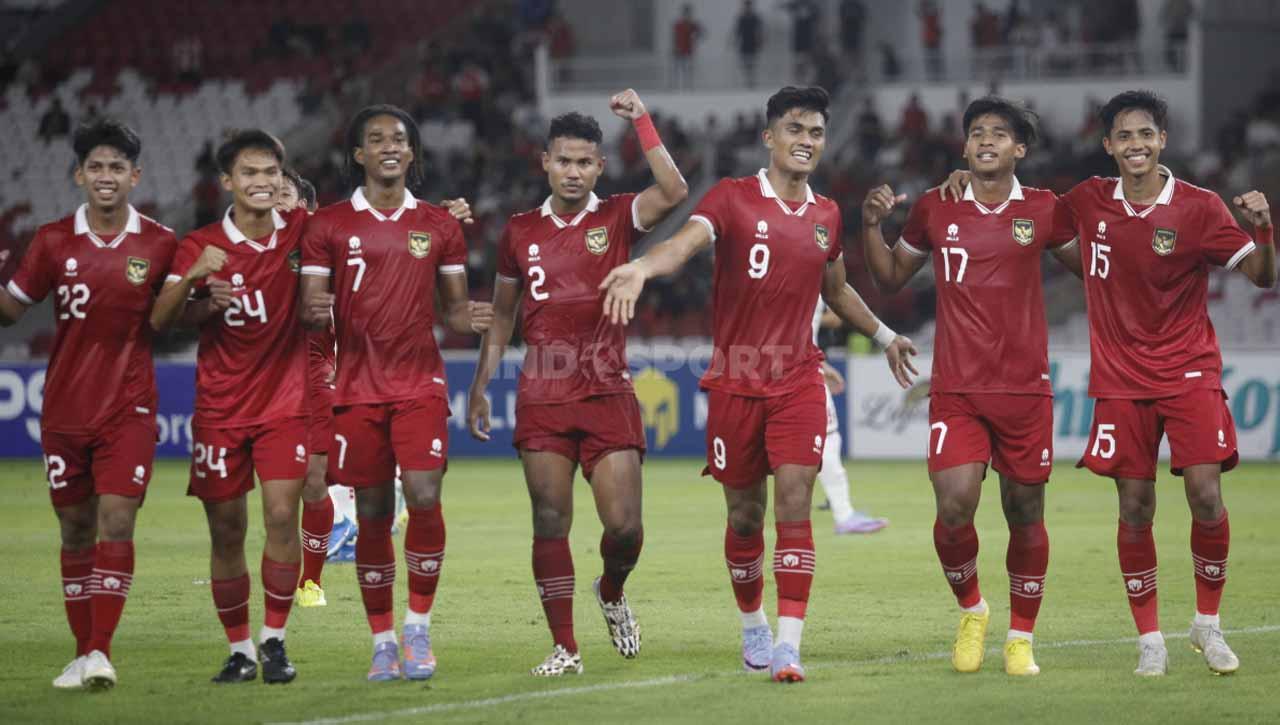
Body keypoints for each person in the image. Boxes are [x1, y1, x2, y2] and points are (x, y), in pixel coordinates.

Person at [600, 86, 917, 683]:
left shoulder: (827, 215)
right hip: (735, 385)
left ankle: (790, 645)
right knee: (746, 517)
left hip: (798, 380)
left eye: (816, 132)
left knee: (796, 503)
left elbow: (838, 291)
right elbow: (683, 244)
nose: (806, 141)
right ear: (770, 137)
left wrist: (885, 336)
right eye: (795, 129)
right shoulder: (733, 199)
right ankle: (754, 626)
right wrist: (642, 266)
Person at [1050, 91, 1273, 676]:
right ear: (1108, 146)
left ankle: (1209, 625)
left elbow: (1260, 274)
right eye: (1124, 136)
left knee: (1206, 495)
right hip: (1121, 379)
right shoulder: (1088, 201)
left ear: (1162, 140)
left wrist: (1265, 230)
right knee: (1134, 505)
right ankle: (1150, 637)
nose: (1136, 145)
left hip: (1189, 369)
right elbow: (1025, 213)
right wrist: (966, 180)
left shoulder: (1199, 207)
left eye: (1145, 134)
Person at [468, 90, 689, 677]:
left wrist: (642, 120)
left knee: (625, 528)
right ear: (545, 162)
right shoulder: (518, 232)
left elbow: (674, 193)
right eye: (563, 160)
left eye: (584, 162)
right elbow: (504, 313)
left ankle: (611, 591)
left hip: (607, 390)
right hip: (542, 393)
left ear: (599, 167)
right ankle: (565, 647)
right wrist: (481, 384)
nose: (573, 171)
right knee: (550, 520)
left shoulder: (616, 215)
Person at [865, 97, 1080, 677]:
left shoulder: (1044, 209)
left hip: (1024, 389)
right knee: (955, 506)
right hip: (958, 387)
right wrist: (869, 225)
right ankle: (972, 610)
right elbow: (887, 277)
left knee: (1024, 511)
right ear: (964, 148)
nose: (987, 140)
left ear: (1020, 149)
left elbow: (1093, 266)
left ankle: (1021, 637)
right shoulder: (936, 207)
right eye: (977, 132)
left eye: (1000, 133)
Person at [299, 104, 493, 681]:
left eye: (399, 139)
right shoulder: (328, 225)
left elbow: (454, 309)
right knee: (377, 512)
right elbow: (313, 310)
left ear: (412, 154)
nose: (388, 145)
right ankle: (382, 640)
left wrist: (479, 317)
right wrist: (315, 309)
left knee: (424, 493)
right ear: (359, 154)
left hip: (418, 383)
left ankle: (417, 631)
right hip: (355, 388)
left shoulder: (438, 225)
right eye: (376, 138)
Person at [0, 119, 177, 691]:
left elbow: (173, 321)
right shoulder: (53, 240)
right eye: (96, 167)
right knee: (74, 530)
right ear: (79, 175)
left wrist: (205, 296)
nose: (106, 177)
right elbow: (10, 310)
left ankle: (100, 650)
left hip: (129, 407)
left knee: (117, 521)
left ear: (135, 176)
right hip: (65, 411)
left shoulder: (160, 242)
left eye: (116, 168)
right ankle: (85, 654)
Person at [152, 130, 310, 685]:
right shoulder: (198, 246)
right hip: (221, 407)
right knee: (226, 530)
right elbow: (158, 322)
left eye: (271, 173)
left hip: (287, 403)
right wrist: (195, 289)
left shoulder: (301, 233)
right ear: (228, 182)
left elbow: (361, 230)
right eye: (250, 174)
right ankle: (239, 649)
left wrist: (444, 213)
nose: (262, 183)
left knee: (283, 515)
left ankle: (274, 641)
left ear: (283, 181)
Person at [811, 302, 888, 535]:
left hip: (782, 364)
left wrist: (821, 364)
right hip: (800, 371)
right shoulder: (811, 273)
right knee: (828, 438)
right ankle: (844, 514)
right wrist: (888, 337)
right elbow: (837, 314)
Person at [672, 5, 703, 90]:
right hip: (679, 51)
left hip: (689, 50)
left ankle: (688, 86)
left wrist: (696, 35)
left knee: (689, 69)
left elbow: (701, 33)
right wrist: (674, 48)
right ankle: (677, 86)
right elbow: (675, 38)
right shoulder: (678, 25)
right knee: (679, 69)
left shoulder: (692, 25)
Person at [735, 0, 764, 88]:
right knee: (745, 64)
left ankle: (752, 82)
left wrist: (760, 41)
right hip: (744, 44)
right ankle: (747, 81)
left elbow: (760, 31)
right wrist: (735, 41)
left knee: (753, 64)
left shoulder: (755, 18)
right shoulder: (741, 18)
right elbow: (737, 31)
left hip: (753, 44)